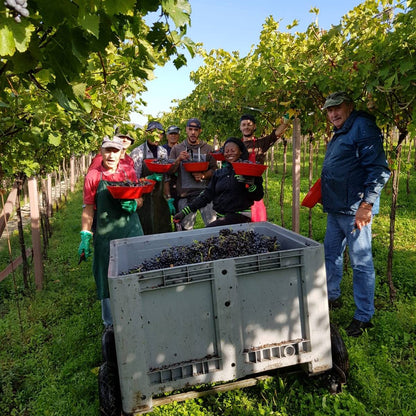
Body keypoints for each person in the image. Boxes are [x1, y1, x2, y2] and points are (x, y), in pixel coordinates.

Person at [320, 91, 390, 337]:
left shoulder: (362, 126)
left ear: (349, 106)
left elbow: (379, 169)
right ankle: (331, 296)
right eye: (329, 110)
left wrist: (367, 205)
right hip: (336, 207)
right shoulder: (342, 130)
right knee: (331, 254)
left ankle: (363, 316)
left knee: (360, 261)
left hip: (354, 209)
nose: (333, 114)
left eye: (337, 108)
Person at [78, 136, 144, 328]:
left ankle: (137, 312)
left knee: (136, 269)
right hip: (106, 233)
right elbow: (89, 207)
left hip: (130, 228)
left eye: (116, 151)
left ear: (121, 153)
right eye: (107, 150)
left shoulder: (129, 172)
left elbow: (140, 200)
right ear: (101, 152)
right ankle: (111, 324)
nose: (111, 155)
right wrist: (85, 234)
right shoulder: (93, 176)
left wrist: (133, 203)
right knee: (106, 275)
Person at [173, 138, 263, 227]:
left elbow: (258, 196)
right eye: (226, 151)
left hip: (240, 218)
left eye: (233, 150)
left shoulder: (249, 170)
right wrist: (184, 212)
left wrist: (250, 185)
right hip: (222, 218)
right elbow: (206, 196)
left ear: (240, 152)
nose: (229, 153)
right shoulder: (219, 173)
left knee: (209, 232)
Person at [168, 118, 217, 230]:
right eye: (190, 129)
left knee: (212, 226)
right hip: (185, 196)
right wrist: (178, 159)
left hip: (205, 195)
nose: (193, 132)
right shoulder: (177, 148)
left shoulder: (208, 148)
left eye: (196, 129)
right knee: (185, 230)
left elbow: (215, 170)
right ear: (186, 130)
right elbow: (170, 171)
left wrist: (204, 175)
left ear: (200, 131)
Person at [239, 114, 289, 221]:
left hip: (255, 188)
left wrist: (285, 121)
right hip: (238, 187)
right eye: (243, 125)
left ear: (254, 126)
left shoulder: (260, 143)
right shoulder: (236, 145)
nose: (246, 127)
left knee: (255, 221)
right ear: (240, 127)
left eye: (249, 124)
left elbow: (277, 133)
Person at [129, 121, 172, 235]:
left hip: (159, 197)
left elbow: (166, 177)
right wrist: (149, 178)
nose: (156, 136)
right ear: (147, 134)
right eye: (153, 132)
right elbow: (133, 181)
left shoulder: (163, 152)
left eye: (159, 133)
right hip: (143, 198)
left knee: (162, 228)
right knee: (145, 229)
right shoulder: (137, 153)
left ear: (162, 136)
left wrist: (168, 198)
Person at [163, 125, 181, 214]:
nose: (173, 136)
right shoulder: (162, 150)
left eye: (175, 134)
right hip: (165, 185)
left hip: (179, 185)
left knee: (179, 213)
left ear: (178, 136)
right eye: (171, 134)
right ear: (167, 136)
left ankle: (179, 227)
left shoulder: (182, 149)